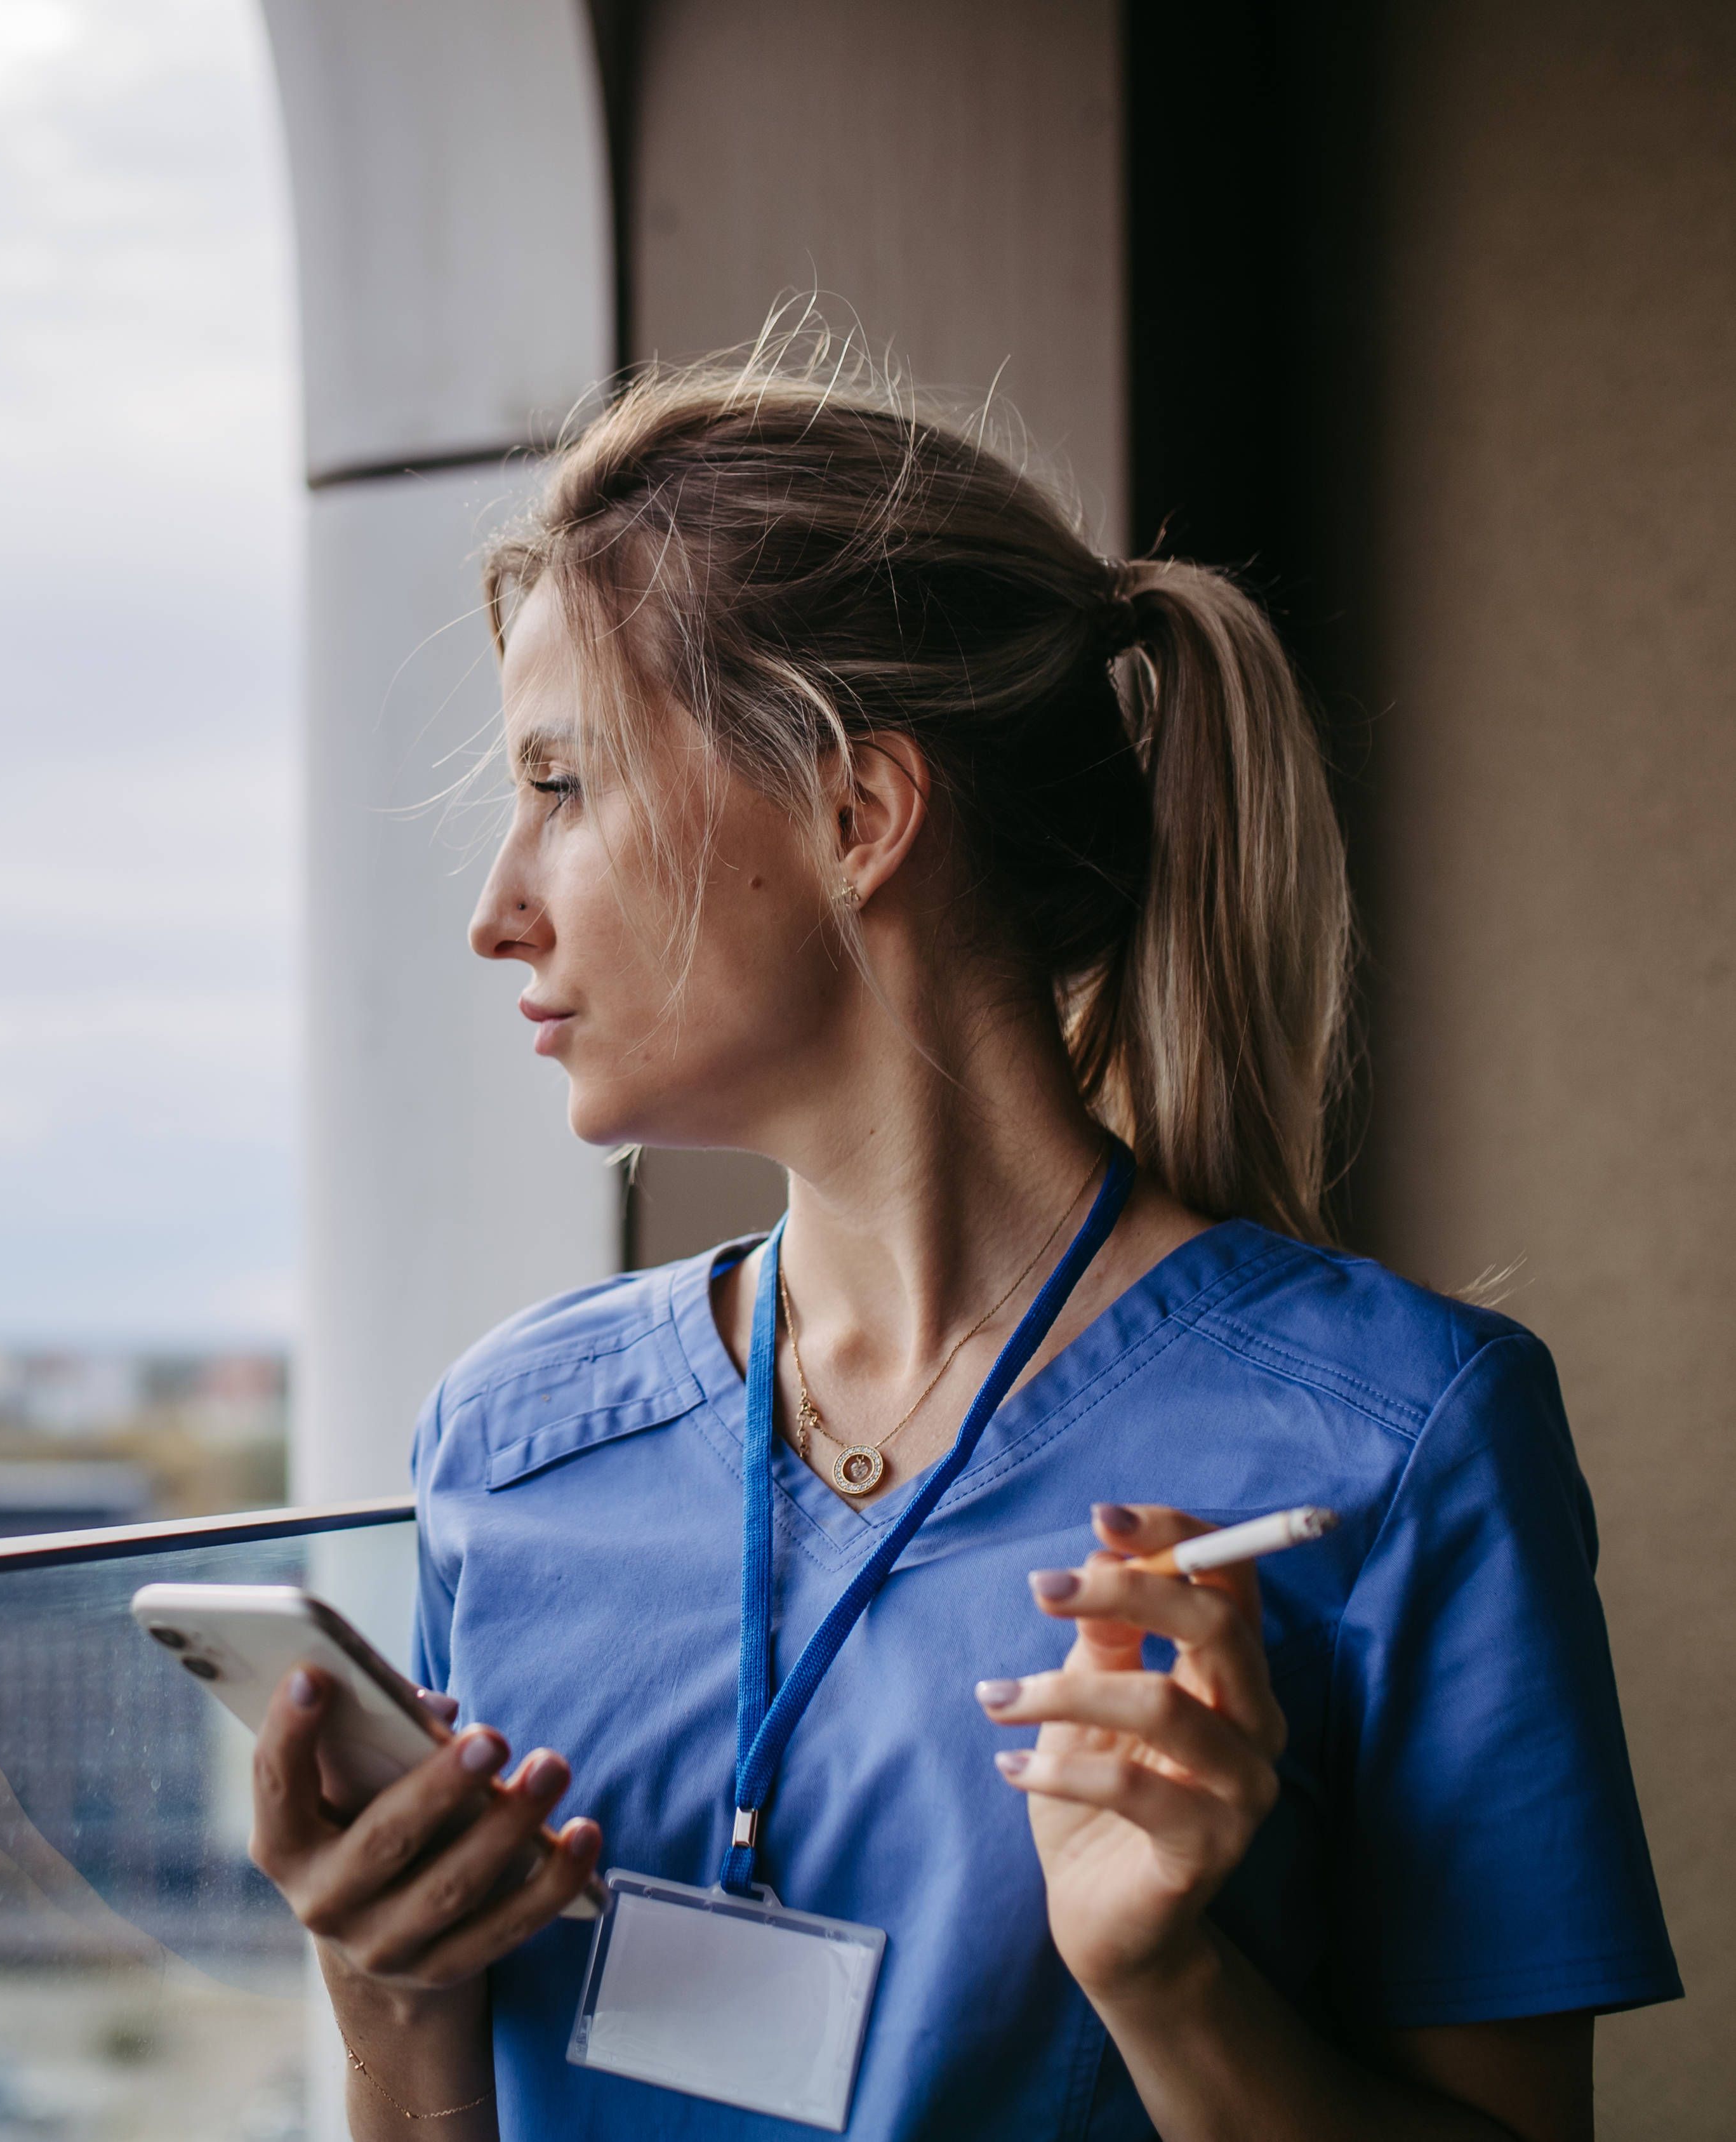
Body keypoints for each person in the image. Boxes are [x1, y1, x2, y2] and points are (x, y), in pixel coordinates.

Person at [246, 333, 1676, 2139]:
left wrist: (1172, 1989)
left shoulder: (1402, 1441)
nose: (494, 914)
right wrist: (390, 2008)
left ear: (855, 817)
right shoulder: (507, 1443)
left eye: (562, 789)